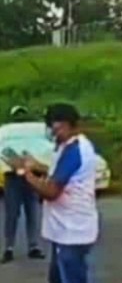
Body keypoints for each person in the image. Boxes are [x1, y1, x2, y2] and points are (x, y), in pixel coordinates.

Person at [10, 103, 99, 283]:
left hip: (72, 231)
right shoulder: (67, 145)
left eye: (56, 128)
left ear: (68, 125)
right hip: (63, 229)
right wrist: (35, 165)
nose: (53, 133)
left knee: (71, 277)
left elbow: (51, 191)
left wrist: (24, 173)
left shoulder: (75, 151)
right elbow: (58, 172)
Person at [0, 106, 46, 263]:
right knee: (12, 214)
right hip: (12, 177)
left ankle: (33, 246)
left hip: (31, 175)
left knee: (32, 211)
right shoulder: (7, 134)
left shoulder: (13, 133)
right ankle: (9, 247)